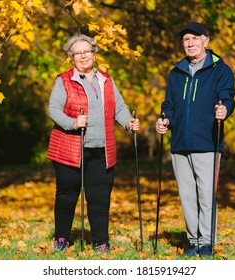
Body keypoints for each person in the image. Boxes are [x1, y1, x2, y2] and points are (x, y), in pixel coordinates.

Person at [47, 34, 140, 252]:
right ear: (72, 58)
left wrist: (128, 122)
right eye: (77, 53)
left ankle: (100, 241)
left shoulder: (106, 80)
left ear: (94, 54)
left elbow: (119, 107)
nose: (83, 56)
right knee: (67, 195)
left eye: (87, 51)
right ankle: (62, 238)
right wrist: (72, 122)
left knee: (99, 198)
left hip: (102, 150)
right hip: (70, 149)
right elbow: (53, 109)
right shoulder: (64, 80)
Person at [155, 22, 235, 257]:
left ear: (205, 41)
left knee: (206, 194)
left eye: (194, 38)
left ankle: (207, 241)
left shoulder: (220, 70)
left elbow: (227, 97)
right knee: (187, 196)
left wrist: (225, 110)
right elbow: (168, 104)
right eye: (186, 40)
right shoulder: (176, 72)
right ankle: (194, 241)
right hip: (179, 144)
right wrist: (164, 120)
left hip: (207, 142)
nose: (189, 43)